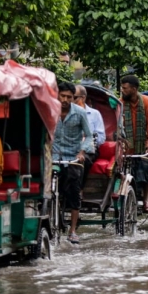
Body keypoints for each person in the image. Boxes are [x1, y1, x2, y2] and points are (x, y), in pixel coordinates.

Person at [53, 81, 95, 244]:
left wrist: (82, 151)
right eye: (62, 96)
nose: (65, 99)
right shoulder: (51, 110)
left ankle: (72, 231)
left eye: (69, 97)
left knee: (74, 193)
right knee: (50, 190)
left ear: (73, 98)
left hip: (73, 158)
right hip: (55, 156)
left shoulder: (79, 113)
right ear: (58, 95)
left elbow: (89, 135)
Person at [120, 75, 148, 213]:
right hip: (126, 144)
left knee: (146, 170)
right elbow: (118, 127)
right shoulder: (120, 103)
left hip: (142, 144)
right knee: (121, 172)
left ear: (134, 89)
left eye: (125, 88)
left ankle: (146, 200)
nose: (122, 90)